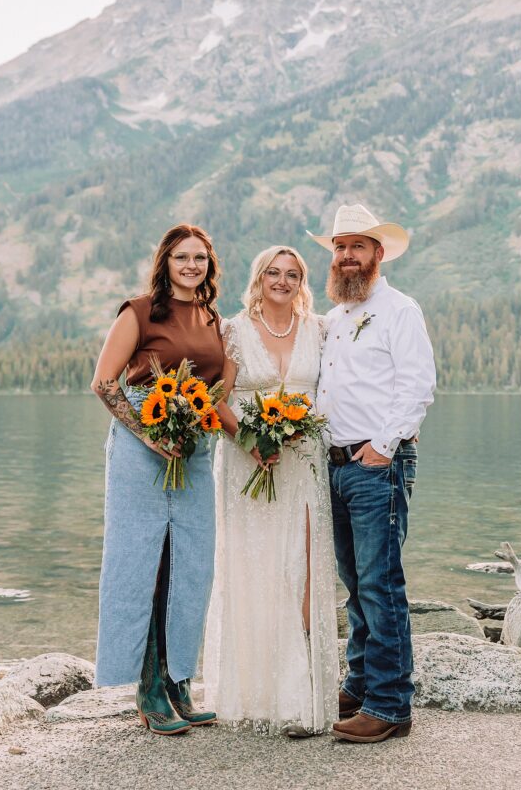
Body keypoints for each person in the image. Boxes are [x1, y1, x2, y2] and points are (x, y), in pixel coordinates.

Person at [92, 223, 235, 735]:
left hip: (194, 449)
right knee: (143, 563)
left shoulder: (212, 318)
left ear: (209, 265)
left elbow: (218, 386)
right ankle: (147, 687)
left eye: (200, 258)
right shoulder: (138, 312)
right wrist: (149, 436)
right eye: (182, 257)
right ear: (166, 263)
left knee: (190, 565)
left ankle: (179, 681)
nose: (191, 265)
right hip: (140, 449)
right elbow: (104, 382)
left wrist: (216, 425)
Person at [308, 204, 436, 744]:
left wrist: (383, 447)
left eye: (357, 246)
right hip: (334, 466)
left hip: (375, 464)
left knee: (381, 585)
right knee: (355, 583)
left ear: (378, 254)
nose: (346, 256)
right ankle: (360, 683)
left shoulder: (400, 309)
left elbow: (418, 385)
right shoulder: (335, 318)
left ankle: (390, 705)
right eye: (339, 247)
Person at [203, 245, 339, 736]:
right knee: (252, 566)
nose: (282, 281)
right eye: (273, 273)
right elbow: (216, 400)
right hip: (247, 464)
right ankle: (255, 690)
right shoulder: (234, 332)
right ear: (258, 278)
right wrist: (250, 440)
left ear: (301, 281)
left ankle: (300, 690)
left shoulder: (319, 330)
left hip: (303, 462)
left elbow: (331, 392)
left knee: (302, 567)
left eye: (293, 274)